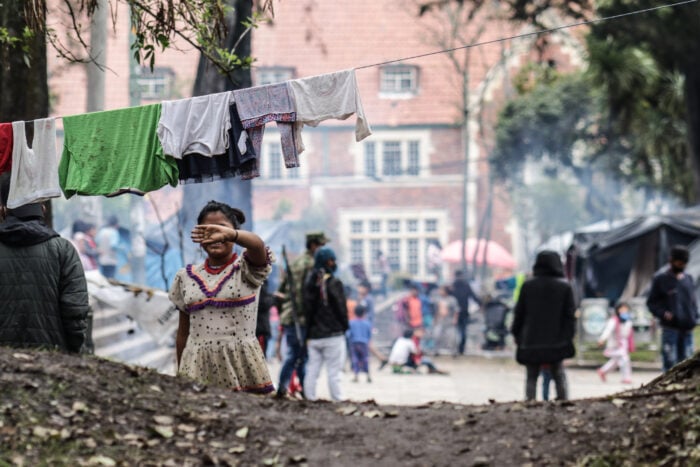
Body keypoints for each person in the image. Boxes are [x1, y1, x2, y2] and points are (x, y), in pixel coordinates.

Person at [169, 200, 275, 393]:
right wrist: (180, 373)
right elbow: (183, 334)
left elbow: (258, 247)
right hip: (197, 365)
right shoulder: (185, 277)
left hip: (242, 366)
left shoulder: (247, 269)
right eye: (208, 230)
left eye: (221, 229)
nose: (216, 235)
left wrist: (231, 235)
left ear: (235, 233)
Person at [0, 172, 89, 353]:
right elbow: (75, 310)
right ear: (43, 208)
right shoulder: (63, 250)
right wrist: (73, 349)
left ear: (2, 209)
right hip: (52, 357)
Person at [511, 250, 576, 401]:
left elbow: (519, 313)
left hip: (530, 340)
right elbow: (569, 317)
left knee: (531, 377)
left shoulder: (528, 286)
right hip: (556, 341)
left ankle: (530, 402)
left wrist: (517, 334)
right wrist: (567, 338)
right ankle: (563, 401)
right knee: (558, 374)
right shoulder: (565, 287)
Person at [274, 231, 329, 398]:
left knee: (299, 355)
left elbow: (280, 291)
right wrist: (304, 315)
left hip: (291, 315)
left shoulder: (296, 261)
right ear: (313, 245)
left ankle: (303, 389)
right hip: (299, 317)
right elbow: (300, 293)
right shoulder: (310, 263)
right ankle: (283, 389)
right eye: (321, 245)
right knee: (296, 355)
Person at [303, 246, 349, 401]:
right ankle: (338, 399)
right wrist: (344, 326)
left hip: (314, 336)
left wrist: (307, 332)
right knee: (334, 372)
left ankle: (309, 398)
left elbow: (307, 310)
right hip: (333, 335)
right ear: (328, 262)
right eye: (333, 260)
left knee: (312, 370)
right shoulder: (334, 283)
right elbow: (341, 309)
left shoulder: (310, 283)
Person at [646, 245, 698, 372]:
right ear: (671, 261)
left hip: (687, 328)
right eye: (679, 263)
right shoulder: (660, 279)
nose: (682, 266)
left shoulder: (688, 279)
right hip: (670, 329)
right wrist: (663, 314)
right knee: (670, 363)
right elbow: (651, 303)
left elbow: (693, 302)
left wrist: (695, 316)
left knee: (687, 364)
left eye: (684, 264)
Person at [597, 302, 634, 384]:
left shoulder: (628, 321)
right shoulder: (613, 320)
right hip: (615, 344)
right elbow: (608, 331)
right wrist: (602, 339)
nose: (624, 311)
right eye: (622, 309)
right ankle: (626, 378)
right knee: (625, 359)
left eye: (626, 309)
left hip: (624, 344)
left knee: (616, 361)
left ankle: (603, 371)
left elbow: (628, 334)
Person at [450, 269, 481, 356]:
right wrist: (480, 303)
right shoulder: (463, 286)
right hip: (461, 312)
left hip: (459, 313)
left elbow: (473, 296)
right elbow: (474, 296)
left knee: (458, 331)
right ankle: (460, 349)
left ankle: (458, 348)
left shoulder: (454, 286)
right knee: (461, 331)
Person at [347, 305, 372, 383]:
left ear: (354, 312)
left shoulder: (351, 322)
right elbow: (369, 334)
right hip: (364, 343)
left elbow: (348, 334)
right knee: (365, 359)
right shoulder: (367, 323)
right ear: (364, 313)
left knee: (355, 359)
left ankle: (356, 376)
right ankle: (368, 376)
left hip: (354, 343)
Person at [432, 285, 458, 355]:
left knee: (452, 337)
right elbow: (436, 311)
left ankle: (454, 351)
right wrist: (435, 319)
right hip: (440, 320)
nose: (440, 292)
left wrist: (455, 319)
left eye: (441, 290)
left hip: (449, 320)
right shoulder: (438, 299)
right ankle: (436, 350)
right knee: (436, 335)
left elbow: (456, 310)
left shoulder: (452, 299)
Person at [256, 278, 275, 356]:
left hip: (259, 328)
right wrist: (273, 298)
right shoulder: (260, 282)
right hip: (260, 328)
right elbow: (263, 303)